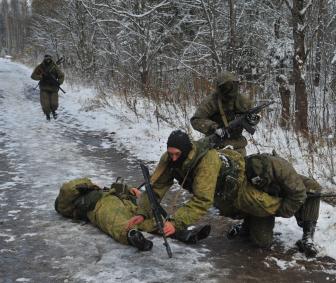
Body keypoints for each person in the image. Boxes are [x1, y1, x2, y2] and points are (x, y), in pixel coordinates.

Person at [127, 130, 321, 257]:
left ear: (186, 151)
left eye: (177, 154)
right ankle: (249, 222)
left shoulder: (208, 161)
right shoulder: (171, 158)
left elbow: (203, 199)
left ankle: (307, 235)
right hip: (236, 195)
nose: (173, 157)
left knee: (310, 190)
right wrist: (142, 211)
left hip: (257, 195)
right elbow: (158, 186)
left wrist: (175, 223)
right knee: (261, 241)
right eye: (171, 153)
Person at [54, 177, 210, 253]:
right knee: (117, 222)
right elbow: (68, 188)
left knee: (147, 218)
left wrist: (130, 190)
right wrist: (89, 185)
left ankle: (183, 233)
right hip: (101, 207)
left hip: (123, 200)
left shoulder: (90, 191)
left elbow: (115, 188)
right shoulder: (66, 202)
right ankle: (133, 237)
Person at [190, 71, 253, 156]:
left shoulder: (243, 100)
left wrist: (251, 121)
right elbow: (196, 120)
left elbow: (251, 117)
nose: (230, 90)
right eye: (227, 87)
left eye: (232, 86)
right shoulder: (211, 101)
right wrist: (214, 127)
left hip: (237, 146)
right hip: (215, 145)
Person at [31, 54, 64, 121]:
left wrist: (59, 82)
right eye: (47, 59)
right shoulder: (40, 67)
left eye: (49, 59)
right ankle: (47, 114)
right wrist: (41, 77)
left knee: (54, 103)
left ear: (51, 59)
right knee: (45, 103)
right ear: (44, 59)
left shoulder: (55, 67)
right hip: (44, 87)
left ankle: (54, 112)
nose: (48, 60)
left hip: (54, 88)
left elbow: (61, 76)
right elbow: (33, 76)